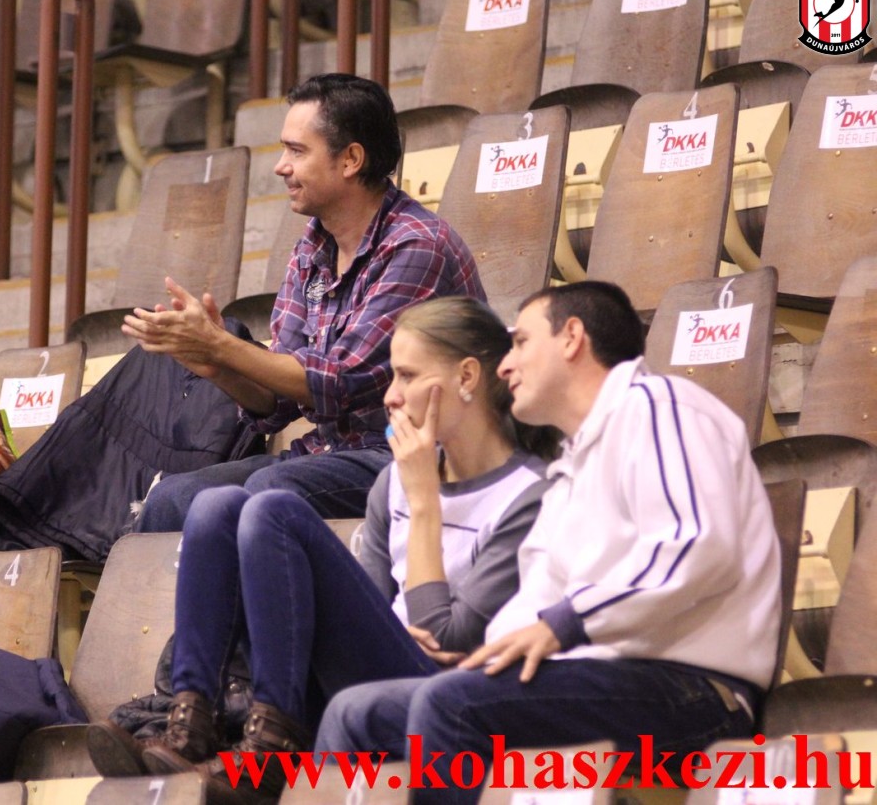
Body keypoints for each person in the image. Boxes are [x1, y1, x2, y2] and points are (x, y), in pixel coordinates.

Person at [317, 282, 781, 804]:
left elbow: (695, 549)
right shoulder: (570, 468)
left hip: (696, 692)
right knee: (358, 713)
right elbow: (534, 601)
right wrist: (482, 660)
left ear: (572, 338)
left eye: (520, 343)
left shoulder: (660, 407)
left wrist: (566, 623)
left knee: (452, 706)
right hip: (594, 678)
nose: (505, 366)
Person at [90, 297, 555, 802]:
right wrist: (389, 623)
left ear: (466, 377)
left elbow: (452, 641)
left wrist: (425, 503)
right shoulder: (392, 485)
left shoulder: (528, 497)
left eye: (406, 376)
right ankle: (190, 722)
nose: (392, 398)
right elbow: (368, 607)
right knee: (214, 506)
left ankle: (273, 744)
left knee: (273, 510)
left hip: (435, 696)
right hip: (368, 668)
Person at [123, 73, 485, 533]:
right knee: (171, 498)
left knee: (270, 493)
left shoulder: (416, 245)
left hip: (415, 453)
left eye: (297, 151)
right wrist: (219, 367)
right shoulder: (312, 247)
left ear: (351, 159)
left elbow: (338, 381)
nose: (281, 166)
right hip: (332, 454)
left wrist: (222, 345)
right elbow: (278, 402)